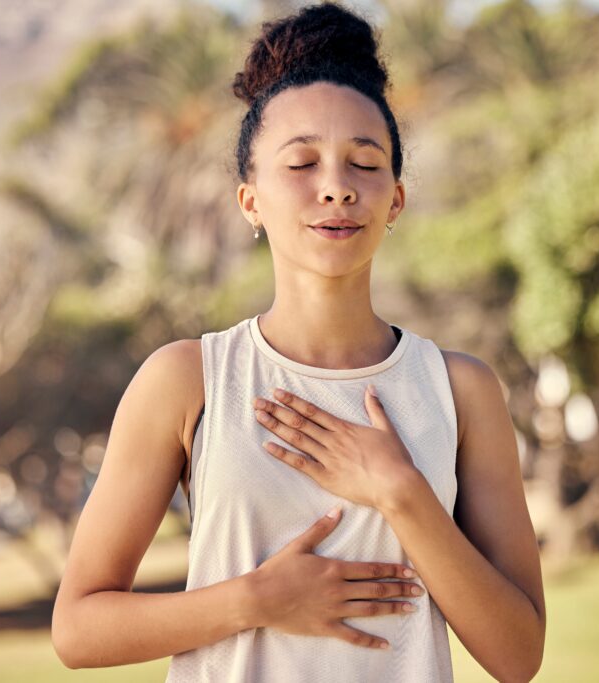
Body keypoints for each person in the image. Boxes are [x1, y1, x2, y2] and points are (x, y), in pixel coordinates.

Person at [50, 2, 545, 681]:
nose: (337, 188)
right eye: (302, 163)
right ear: (250, 199)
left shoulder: (460, 389)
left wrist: (401, 491)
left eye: (364, 164)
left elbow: (519, 656)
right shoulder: (189, 379)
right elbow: (78, 627)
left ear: (395, 200)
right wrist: (255, 599)